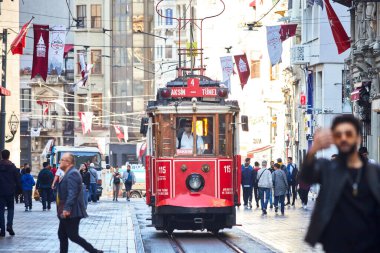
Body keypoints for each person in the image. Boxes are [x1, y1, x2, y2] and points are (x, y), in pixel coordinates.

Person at [300, 115, 380, 252]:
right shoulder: (327, 169)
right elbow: (305, 178)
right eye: (338, 135)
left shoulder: (373, 171)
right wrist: (314, 149)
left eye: (348, 134)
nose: (343, 138)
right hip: (336, 245)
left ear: (358, 138)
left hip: (370, 245)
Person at [56, 153, 103, 253]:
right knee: (62, 234)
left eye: (63, 160)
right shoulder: (69, 172)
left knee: (73, 236)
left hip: (72, 211)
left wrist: (67, 209)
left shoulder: (73, 173)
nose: (60, 161)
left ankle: (94, 251)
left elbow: (72, 192)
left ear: (68, 162)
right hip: (67, 209)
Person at [0, 149, 21, 237]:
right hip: (10, 191)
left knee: (0, 211)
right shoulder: (13, 167)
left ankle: (2, 230)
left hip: (0, 192)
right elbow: (18, 180)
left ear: (1, 156)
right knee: (10, 209)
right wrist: (19, 190)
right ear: (8, 156)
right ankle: (9, 225)